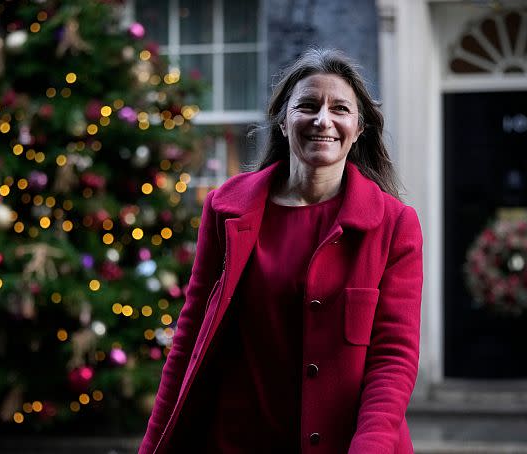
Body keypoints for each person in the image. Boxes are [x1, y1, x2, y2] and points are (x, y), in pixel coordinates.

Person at [139, 48, 423, 454]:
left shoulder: (394, 225)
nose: (323, 120)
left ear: (358, 128)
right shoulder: (226, 209)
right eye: (307, 105)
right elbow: (189, 339)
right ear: (283, 120)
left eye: (340, 109)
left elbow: (393, 359)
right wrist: (152, 446)